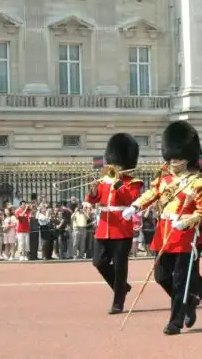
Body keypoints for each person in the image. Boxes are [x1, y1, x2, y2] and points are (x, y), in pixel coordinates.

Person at [124, 121, 202, 335]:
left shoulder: (197, 183)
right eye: (171, 157)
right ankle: (188, 302)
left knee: (181, 280)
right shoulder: (163, 180)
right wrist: (135, 205)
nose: (174, 161)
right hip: (164, 232)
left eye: (178, 157)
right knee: (162, 276)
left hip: (184, 234)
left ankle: (176, 320)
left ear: (187, 158)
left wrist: (187, 221)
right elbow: (151, 195)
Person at [84, 133, 143, 314]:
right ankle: (122, 287)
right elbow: (94, 200)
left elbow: (131, 199)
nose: (113, 166)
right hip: (103, 227)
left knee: (119, 266)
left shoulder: (133, 182)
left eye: (117, 163)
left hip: (122, 229)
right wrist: (93, 191)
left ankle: (118, 301)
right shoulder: (104, 180)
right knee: (98, 262)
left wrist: (118, 184)